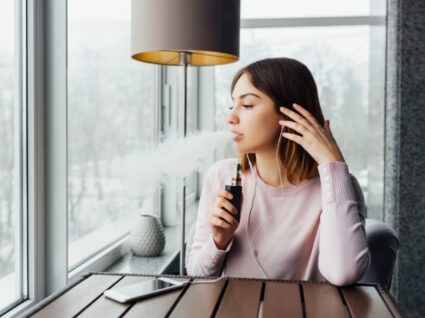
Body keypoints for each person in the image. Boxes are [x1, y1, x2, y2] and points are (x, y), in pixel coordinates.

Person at [187, 57, 370, 286]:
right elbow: (196, 275)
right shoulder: (221, 176)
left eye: (247, 105)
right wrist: (218, 241)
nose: (230, 118)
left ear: (291, 114)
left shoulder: (337, 186)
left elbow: (344, 273)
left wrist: (332, 163)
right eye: (231, 105)